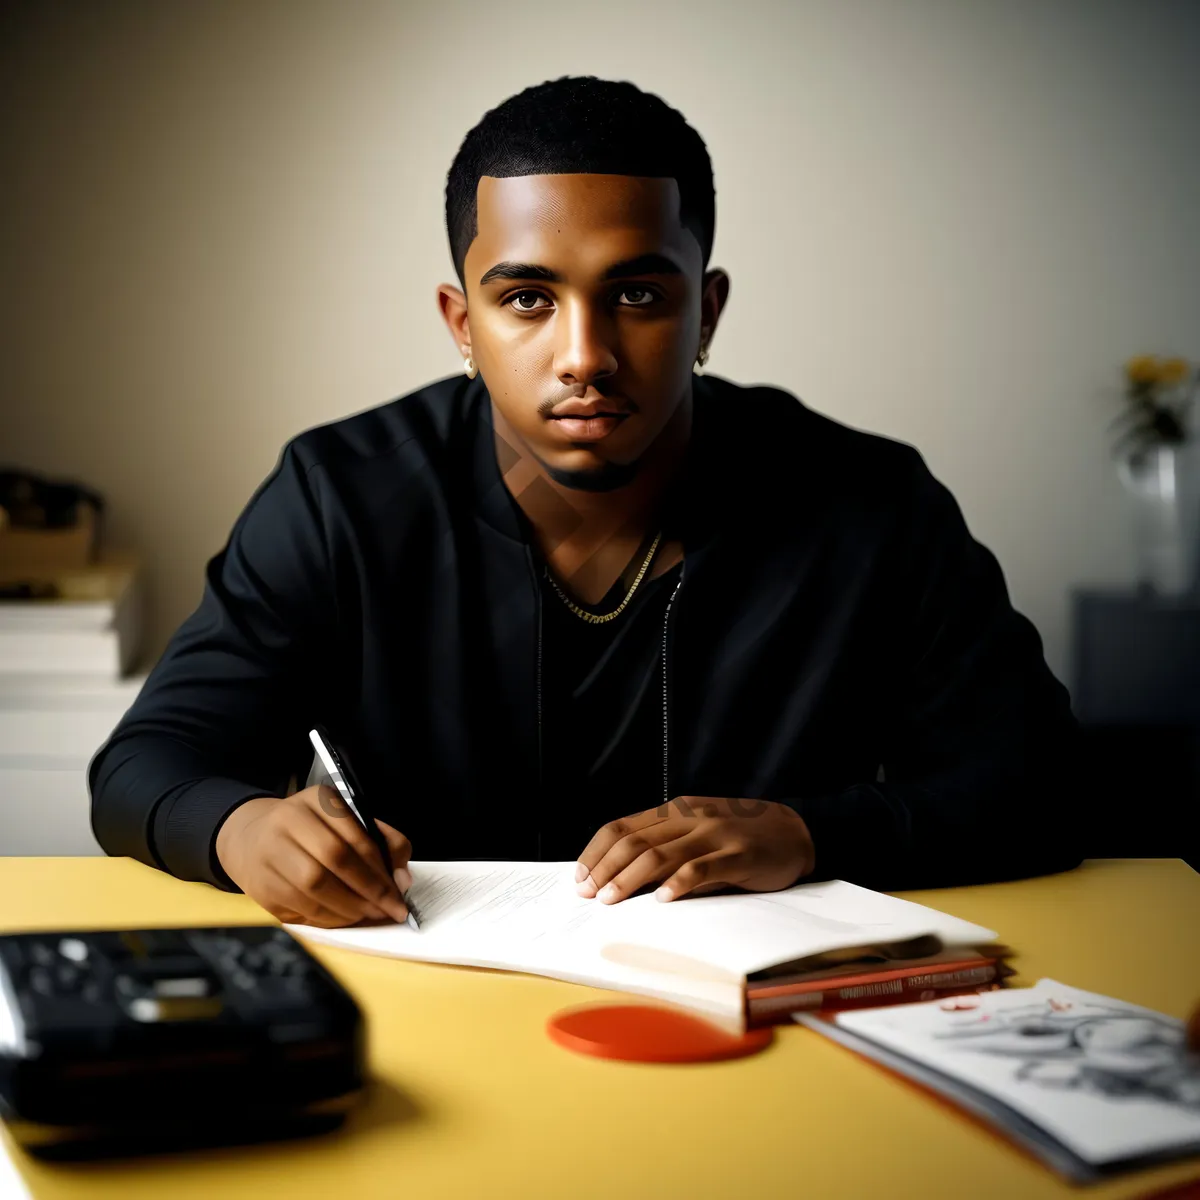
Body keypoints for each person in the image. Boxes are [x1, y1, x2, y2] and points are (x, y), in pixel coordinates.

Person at [89, 76, 1083, 930]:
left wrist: (808, 833)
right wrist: (242, 828)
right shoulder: (338, 496)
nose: (584, 356)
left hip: (764, 1019)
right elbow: (146, 763)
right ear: (462, 323)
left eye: (638, 296)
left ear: (707, 311)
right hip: (437, 1003)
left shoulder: (871, 504)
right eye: (527, 299)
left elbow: (1043, 785)